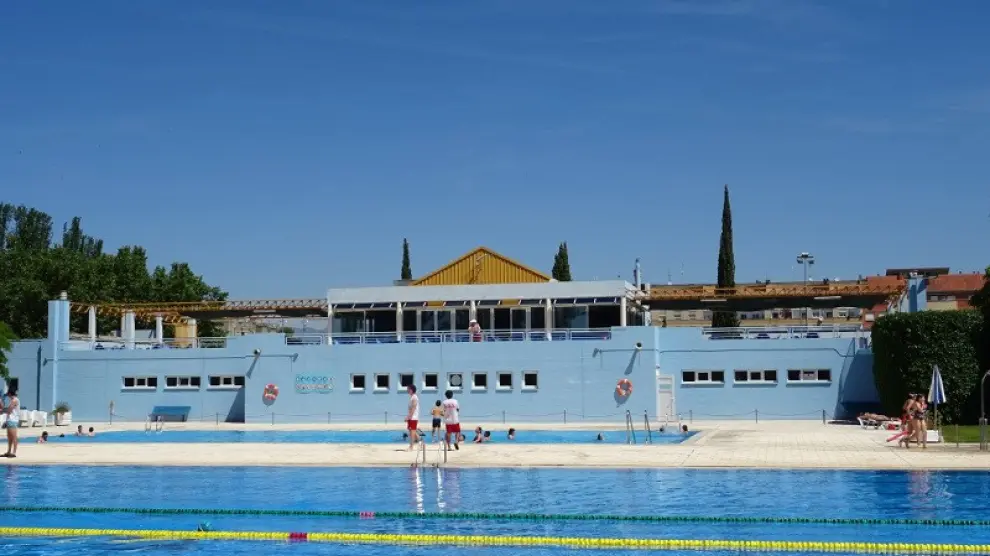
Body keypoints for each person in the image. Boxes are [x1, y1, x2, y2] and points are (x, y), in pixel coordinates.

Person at [3, 387, 19, 458]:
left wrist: (2, 410)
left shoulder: (14, 400)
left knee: (14, 437)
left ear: (10, 394)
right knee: (9, 437)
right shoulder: (13, 400)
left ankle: (14, 452)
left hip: (13, 420)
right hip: (10, 420)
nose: (8, 396)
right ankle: (9, 451)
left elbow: (9, 410)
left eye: (8, 394)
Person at [406, 384, 420, 450]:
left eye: (408, 389)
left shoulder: (414, 397)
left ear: (411, 390)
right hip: (411, 417)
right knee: (411, 430)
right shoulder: (412, 397)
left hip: (413, 417)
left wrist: (408, 417)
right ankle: (420, 441)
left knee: (412, 431)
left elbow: (413, 408)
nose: (407, 390)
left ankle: (411, 446)